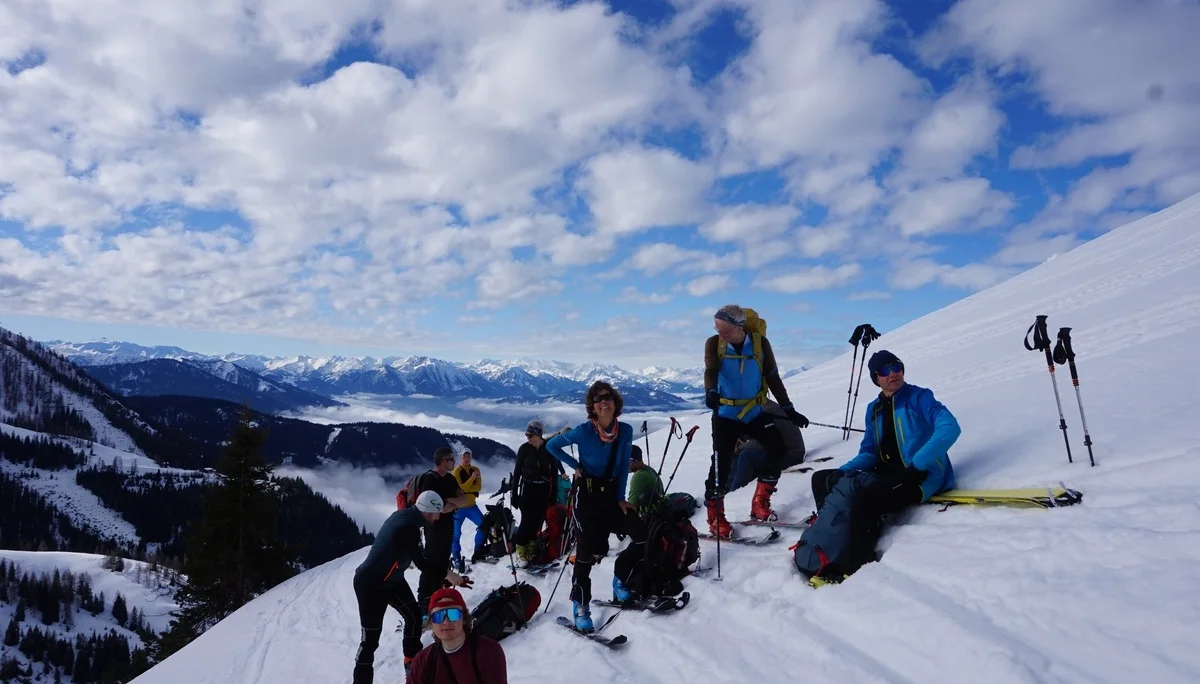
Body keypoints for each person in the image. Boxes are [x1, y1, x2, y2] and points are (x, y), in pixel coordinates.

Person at [545, 381, 644, 632]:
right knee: (586, 552)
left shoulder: (626, 431)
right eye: (598, 399)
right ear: (592, 406)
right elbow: (551, 445)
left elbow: (623, 467)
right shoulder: (582, 431)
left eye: (608, 397)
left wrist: (621, 497)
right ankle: (580, 605)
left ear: (615, 403)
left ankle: (620, 579)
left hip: (612, 496)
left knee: (642, 535)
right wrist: (574, 466)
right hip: (587, 497)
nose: (603, 402)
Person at [704, 304, 809, 537]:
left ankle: (760, 502)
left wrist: (788, 409)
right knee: (721, 462)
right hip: (725, 414)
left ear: (739, 326)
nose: (720, 333)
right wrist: (710, 392)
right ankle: (715, 516)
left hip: (753, 411)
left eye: (725, 330)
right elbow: (711, 370)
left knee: (777, 448)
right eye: (717, 328)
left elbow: (772, 375)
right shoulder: (715, 343)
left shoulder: (760, 343)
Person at [813, 350, 960, 511]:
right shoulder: (874, 409)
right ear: (876, 378)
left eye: (896, 367)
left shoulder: (919, 397)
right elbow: (869, 453)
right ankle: (826, 525)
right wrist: (843, 471)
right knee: (822, 479)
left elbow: (950, 427)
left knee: (867, 498)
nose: (892, 374)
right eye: (885, 371)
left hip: (921, 476)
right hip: (885, 473)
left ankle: (852, 531)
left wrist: (917, 465)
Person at [353, 491, 471, 684]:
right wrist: (450, 575)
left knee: (414, 618)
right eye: (436, 512)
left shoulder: (410, 518)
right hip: (370, 586)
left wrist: (446, 575)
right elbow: (423, 563)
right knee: (370, 641)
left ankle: (413, 664)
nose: (438, 516)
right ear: (427, 512)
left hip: (392, 581)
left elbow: (418, 557)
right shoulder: (408, 528)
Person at [405, 586, 507, 684]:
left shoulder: (488, 651)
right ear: (431, 623)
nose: (446, 621)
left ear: (464, 619)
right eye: (439, 616)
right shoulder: (422, 661)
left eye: (452, 614)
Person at [417, 447, 474, 613]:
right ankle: (423, 601)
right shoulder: (429, 479)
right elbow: (440, 508)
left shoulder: (450, 478)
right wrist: (451, 503)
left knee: (442, 559)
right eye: (451, 460)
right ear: (443, 461)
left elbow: (464, 499)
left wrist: (449, 501)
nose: (453, 462)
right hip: (433, 528)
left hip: (448, 525)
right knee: (431, 561)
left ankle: (438, 593)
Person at [509, 419, 565, 567]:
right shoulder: (524, 449)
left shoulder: (549, 448)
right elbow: (517, 472)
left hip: (544, 490)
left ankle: (532, 548)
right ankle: (521, 550)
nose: (528, 437)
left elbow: (554, 471)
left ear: (539, 434)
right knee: (527, 521)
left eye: (530, 434)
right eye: (526, 435)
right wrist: (514, 493)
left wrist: (553, 494)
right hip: (528, 489)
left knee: (538, 521)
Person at [728, 400, 807, 492]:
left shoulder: (765, 411)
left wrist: (741, 447)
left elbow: (766, 443)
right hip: (789, 452)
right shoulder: (763, 406)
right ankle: (729, 487)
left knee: (745, 455)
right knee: (741, 452)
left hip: (790, 456)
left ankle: (734, 491)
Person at [450, 449, 486, 572]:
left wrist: (466, 487)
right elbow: (460, 489)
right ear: (461, 458)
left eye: (468, 457)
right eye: (464, 457)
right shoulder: (456, 472)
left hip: (471, 506)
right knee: (455, 534)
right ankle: (456, 557)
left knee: (484, 526)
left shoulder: (476, 469)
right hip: (458, 508)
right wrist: (471, 479)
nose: (466, 459)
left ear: (471, 458)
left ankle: (478, 551)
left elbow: (478, 487)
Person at [625, 445, 665, 515]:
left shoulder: (638, 477)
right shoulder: (649, 470)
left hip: (648, 518)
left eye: (627, 461)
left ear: (636, 460)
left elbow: (631, 507)